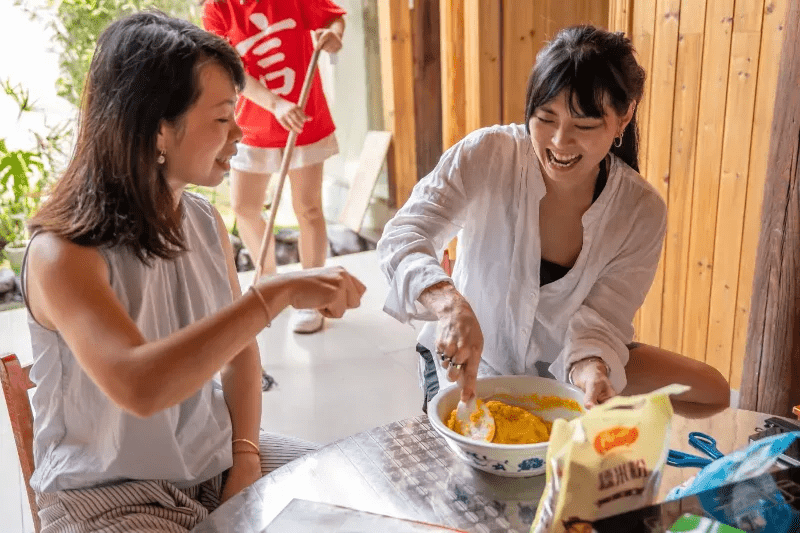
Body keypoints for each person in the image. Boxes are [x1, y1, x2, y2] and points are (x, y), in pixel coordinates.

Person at [21, 11, 365, 531]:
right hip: (109, 496)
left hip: (214, 460)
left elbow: (239, 357)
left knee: (357, 499)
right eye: (223, 117)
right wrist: (270, 296)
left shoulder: (202, 220)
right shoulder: (63, 254)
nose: (240, 133)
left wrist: (246, 458)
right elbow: (140, 386)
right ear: (159, 129)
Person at [377, 25, 730, 412]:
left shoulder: (639, 212)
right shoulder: (488, 155)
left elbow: (602, 320)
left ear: (624, 116)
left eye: (584, 126)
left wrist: (592, 368)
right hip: (464, 370)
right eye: (546, 118)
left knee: (713, 390)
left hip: (558, 385)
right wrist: (450, 305)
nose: (560, 142)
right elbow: (403, 235)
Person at [203, 0, 346, 334]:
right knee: (244, 206)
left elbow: (334, 18)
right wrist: (275, 104)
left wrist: (333, 37)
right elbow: (229, 71)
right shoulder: (218, 9)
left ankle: (312, 295)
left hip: (304, 119)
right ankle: (271, 284)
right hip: (252, 126)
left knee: (308, 208)